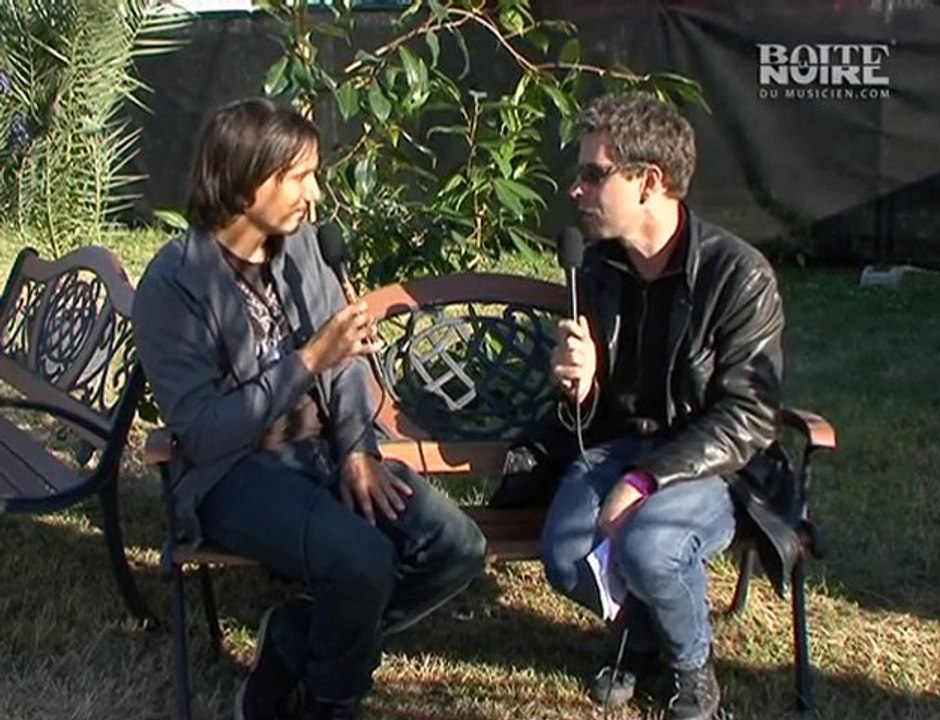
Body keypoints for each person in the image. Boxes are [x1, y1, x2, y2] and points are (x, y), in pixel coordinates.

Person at [132, 98, 487, 720]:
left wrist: (356, 450)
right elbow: (204, 432)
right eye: (297, 177)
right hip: (235, 473)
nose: (313, 195)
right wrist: (305, 362)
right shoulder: (174, 284)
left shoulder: (299, 251)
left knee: (456, 546)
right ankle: (332, 700)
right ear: (244, 184)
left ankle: (298, 636)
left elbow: (345, 358)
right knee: (363, 561)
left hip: (324, 452)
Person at [541, 91, 784, 720]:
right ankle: (643, 632)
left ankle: (691, 669)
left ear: (650, 182)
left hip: (706, 465)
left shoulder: (738, 275)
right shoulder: (597, 270)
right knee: (564, 553)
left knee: (650, 545)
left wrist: (647, 480)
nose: (577, 190)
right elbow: (585, 419)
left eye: (594, 175)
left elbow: (749, 415)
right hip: (620, 447)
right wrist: (581, 385)